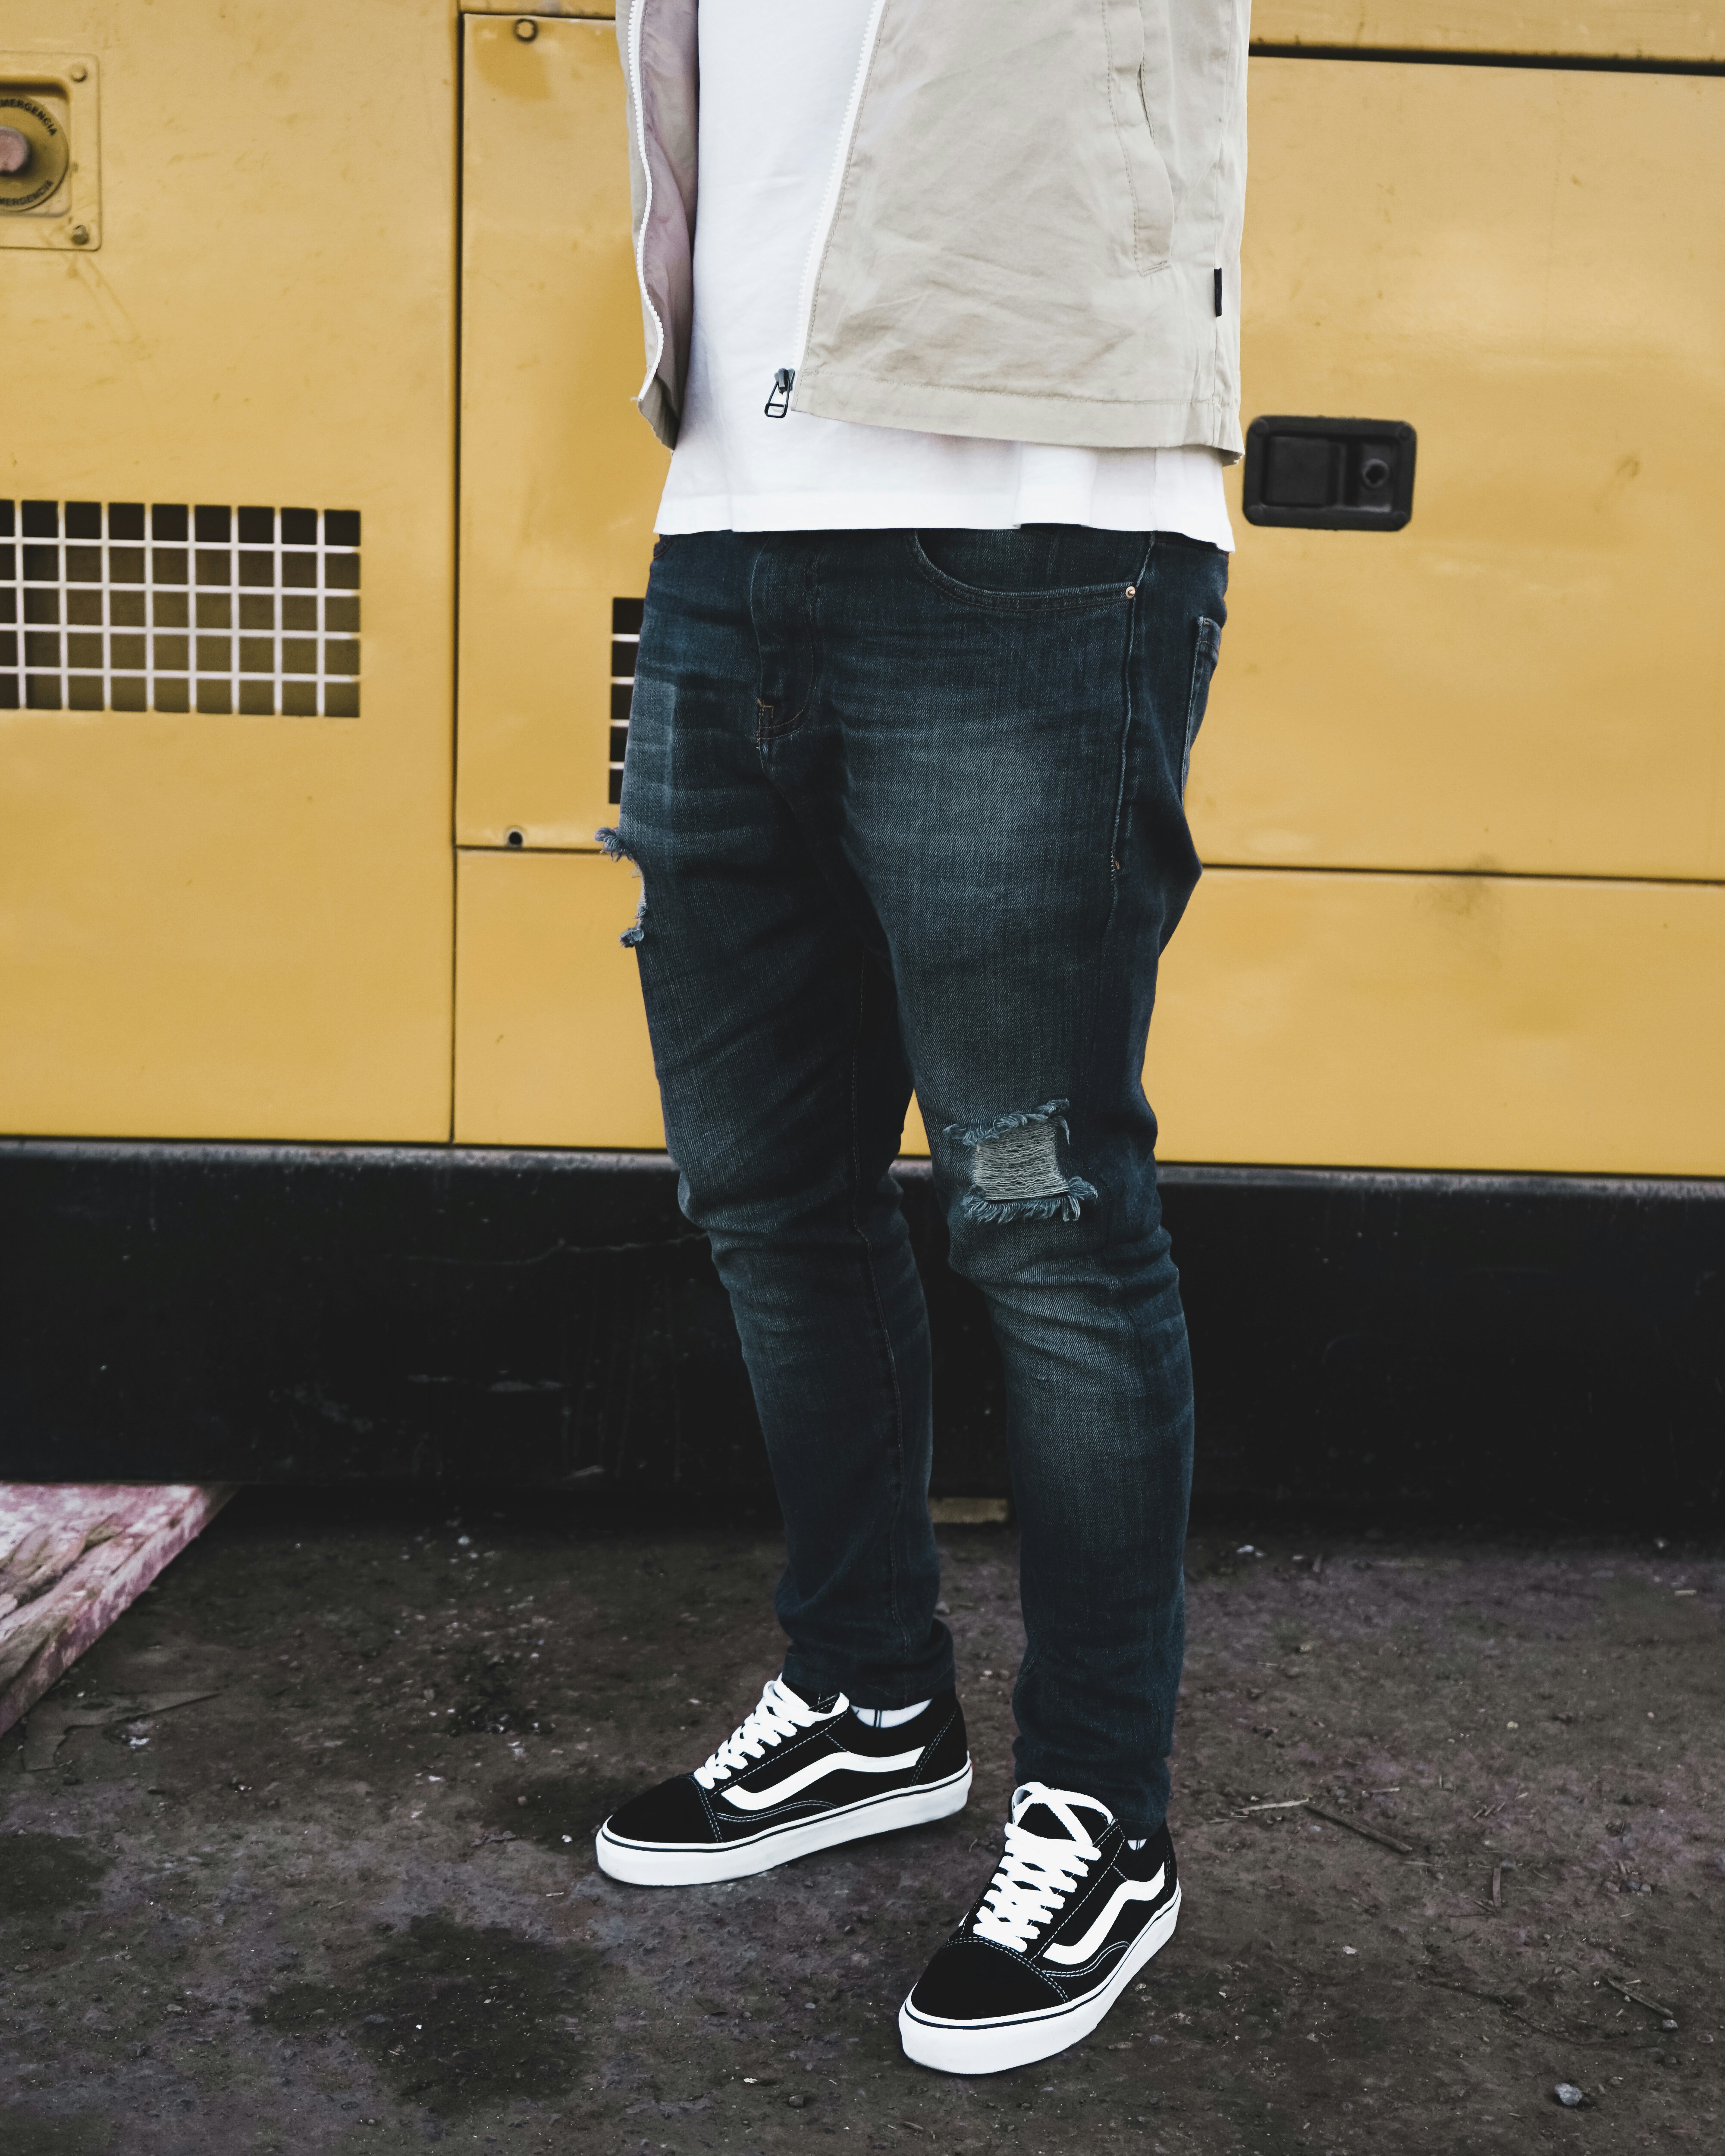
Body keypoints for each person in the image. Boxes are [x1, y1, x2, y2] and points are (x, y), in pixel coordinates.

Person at [593, 0, 1249, 2078]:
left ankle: (1102, 1809)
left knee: (1040, 1214)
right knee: (767, 1186)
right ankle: (871, 1701)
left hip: (1036, 521)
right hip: (728, 522)